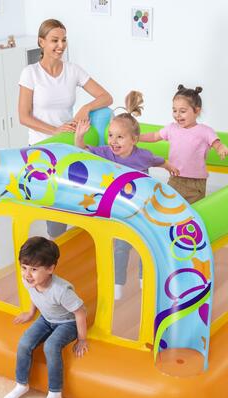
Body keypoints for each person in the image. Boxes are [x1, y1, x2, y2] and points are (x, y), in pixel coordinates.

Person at [75, 91, 179, 300]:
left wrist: (170, 167)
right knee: (121, 247)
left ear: (134, 140)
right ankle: (117, 282)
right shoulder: (106, 152)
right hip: (121, 209)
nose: (113, 141)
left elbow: (158, 160)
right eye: (110, 135)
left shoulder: (143, 156)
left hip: (143, 207)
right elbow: (82, 150)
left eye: (120, 137)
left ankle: (144, 277)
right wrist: (79, 135)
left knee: (145, 244)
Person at [18, 19, 113, 238]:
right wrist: (54, 131)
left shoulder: (73, 70)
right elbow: (24, 116)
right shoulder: (30, 73)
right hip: (43, 147)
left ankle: (81, 239)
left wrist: (86, 108)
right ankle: (56, 243)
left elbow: (106, 97)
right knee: (55, 216)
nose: (60, 45)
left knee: (78, 199)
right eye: (54, 40)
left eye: (63, 40)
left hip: (69, 144)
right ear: (41, 42)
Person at [2, 236, 88, 398]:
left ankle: (55, 392)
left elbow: (80, 312)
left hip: (67, 322)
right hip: (46, 318)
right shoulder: (29, 281)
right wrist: (30, 313)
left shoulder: (61, 291)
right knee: (24, 342)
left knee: (51, 346)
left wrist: (82, 339)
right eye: (24, 267)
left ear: (50, 269)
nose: (27, 274)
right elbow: (34, 296)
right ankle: (21, 384)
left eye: (34, 269)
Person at [139, 85, 228, 203]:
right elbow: (154, 136)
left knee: (194, 208)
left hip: (196, 182)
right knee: (170, 205)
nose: (177, 115)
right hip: (175, 178)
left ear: (197, 111)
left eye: (182, 111)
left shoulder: (205, 131)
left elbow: (216, 143)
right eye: (174, 110)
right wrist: (137, 137)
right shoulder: (171, 128)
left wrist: (221, 148)